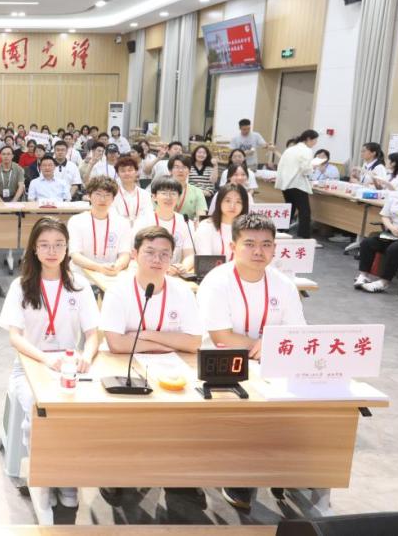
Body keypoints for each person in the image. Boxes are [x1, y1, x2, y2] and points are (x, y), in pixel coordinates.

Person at [197, 213, 307, 511]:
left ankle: (286, 468)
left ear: (275, 249)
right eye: (250, 244)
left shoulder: (283, 284)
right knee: (243, 410)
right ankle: (239, 473)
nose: (259, 251)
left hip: (272, 360)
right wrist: (265, 345)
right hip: (222, 362)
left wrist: (271, 347)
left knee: (305, 403)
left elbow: (297, 332)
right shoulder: (217, 281)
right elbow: (221, 335)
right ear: (233, 246)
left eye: (266, 245)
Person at [0, 217, 100, 510]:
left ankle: (67, 477)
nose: (52, 251)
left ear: (67, 248)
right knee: (38, 410)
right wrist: (45, 359)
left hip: (70, 365)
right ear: (34, 249)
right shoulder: (21, 286)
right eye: (44, 245)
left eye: (58, 244)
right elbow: (15, 338)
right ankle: (44, 477)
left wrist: (86, 356)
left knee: (80, 414)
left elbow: (93, 334)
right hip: (30, 364)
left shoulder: (79, 285)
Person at [99, 226, 203, 354]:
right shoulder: (117, 290)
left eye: (164, 254)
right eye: (150, 252)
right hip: (124, 361)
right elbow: (116, 344)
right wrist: (162, 347)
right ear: (135, 255)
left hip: (170, 362)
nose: (157, 260)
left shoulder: (183, 291)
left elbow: (195, 343)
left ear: (171, 257)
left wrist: (147, 334)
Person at [355, 165, 398, 293]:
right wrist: (392, 228)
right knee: (368, 242)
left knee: (395, 248)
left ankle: (384, 282)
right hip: (395, 234)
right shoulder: (394, 195)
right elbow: (385, 215)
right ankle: (363, 275)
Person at [68, 177, 131, 276]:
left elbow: (125, 254)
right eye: (98, 194)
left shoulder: (123, 223)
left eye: (107, 195)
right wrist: (99, 268)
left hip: (111, 274)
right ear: (89, 196)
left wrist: (117, 267)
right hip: (81, 274)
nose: (102, 199)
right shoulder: (76, 221)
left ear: (113, 198)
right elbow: (75, 255)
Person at [134, 178, 194, 275]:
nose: (168, 197)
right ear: (154, 197)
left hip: (175, 273)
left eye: (173, 193)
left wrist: (182, 267)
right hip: (149, 271)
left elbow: (189, 254)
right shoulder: (143, 221)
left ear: (179, 197)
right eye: (164, 193)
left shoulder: (186, 222)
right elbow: (136, 253)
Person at [275, 130, 318, 239]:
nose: (315, 143)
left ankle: (280, 232)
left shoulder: (290, 149)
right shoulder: (307, 150)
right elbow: (305, 169)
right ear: (308, 139)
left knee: (289, 208)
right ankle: (304, 237)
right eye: (315, 140)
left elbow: (281, 166)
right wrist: (313, 167)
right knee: (305, 211)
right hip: (297, 184)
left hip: (285, 184)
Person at [195, 184, 250, 258]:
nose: (232, 206)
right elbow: (205, 258)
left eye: (238, 202)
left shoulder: (249, 229)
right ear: (219, 202)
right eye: (228, 201)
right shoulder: (206, 226)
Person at [112, 156, 152, 224]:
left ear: (136, 172)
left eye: (130, 170)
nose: (127, 173)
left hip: (141, 229)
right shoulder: (112, 195)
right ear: (118, 174)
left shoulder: (145, 194)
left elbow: (148, 216)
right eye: (123, 171)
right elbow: (113, 217)